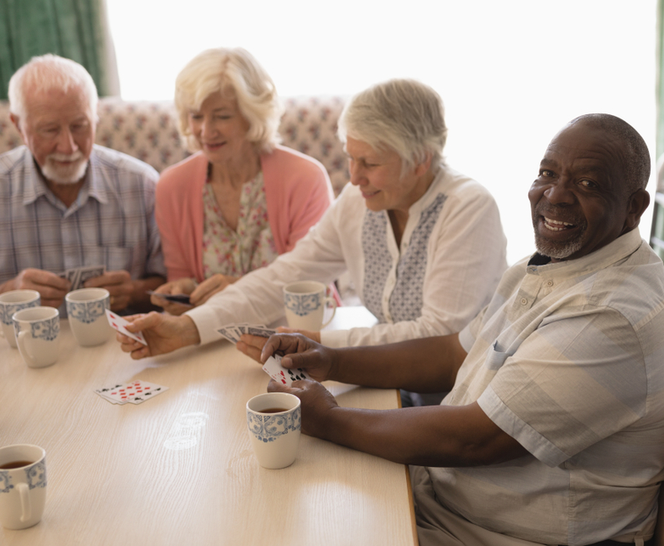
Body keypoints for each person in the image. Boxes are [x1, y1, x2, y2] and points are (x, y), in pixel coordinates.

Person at [237, 114, 664, 545]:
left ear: (634, 208)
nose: (555, 195)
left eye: (587, 183)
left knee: (285, 522)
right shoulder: (554, 265)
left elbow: (477, 438)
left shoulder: (610, 314)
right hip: (451, 501)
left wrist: (330, 418)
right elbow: (454, 354)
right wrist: (332, 358)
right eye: (547, 174)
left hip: (506, 535)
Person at [116, 79, 507, 362]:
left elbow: (438, 336)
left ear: (421, 159)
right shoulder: (358, 201)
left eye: (370, 163)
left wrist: (319, 345)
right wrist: (188, 329)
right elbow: (281, 277)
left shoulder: (468, 208)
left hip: (462, 386)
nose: (353, 178)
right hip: (394, 377)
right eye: (350, 158)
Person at [151, 48, 334, 313]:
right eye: (196, 116)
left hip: (297, 334)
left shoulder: (305, 179)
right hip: (210, 334)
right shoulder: (172, 186)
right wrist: (181, 291)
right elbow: (179, 276)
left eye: (222, 116)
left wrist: (239, 290)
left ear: (253, 115)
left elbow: (309, 284)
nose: (206, 131)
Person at [0, 54, 165, 313]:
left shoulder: (142, 185)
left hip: (122, 347)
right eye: (50, 130)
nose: (69, 147)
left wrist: (133, 293)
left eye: (79, 126)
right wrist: (8, 292)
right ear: (19, 126)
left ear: (95, 117)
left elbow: (174, 285)